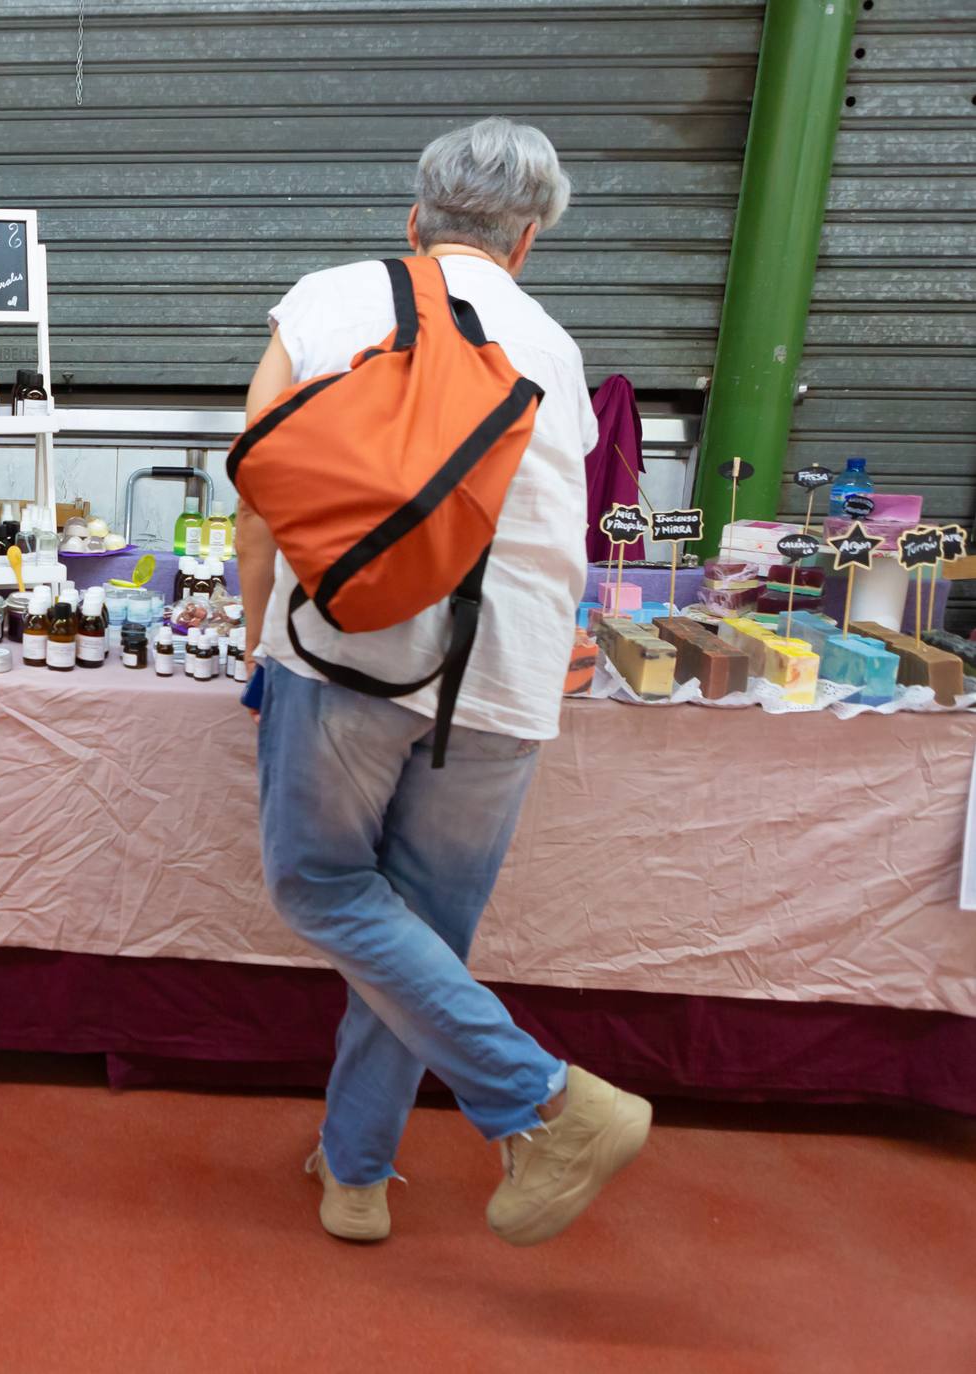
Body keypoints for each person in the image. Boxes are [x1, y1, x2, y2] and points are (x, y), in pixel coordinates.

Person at [235, 116, 650, 1247]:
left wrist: (252, 635)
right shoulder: (554, 345)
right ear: (526, 245)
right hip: (508, 676)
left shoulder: (327, 298)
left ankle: (544, 1100)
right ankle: (357, 1173)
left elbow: (259, 480)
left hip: (349, 647)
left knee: (324, 889)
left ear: (415, 219)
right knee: (419, 931)